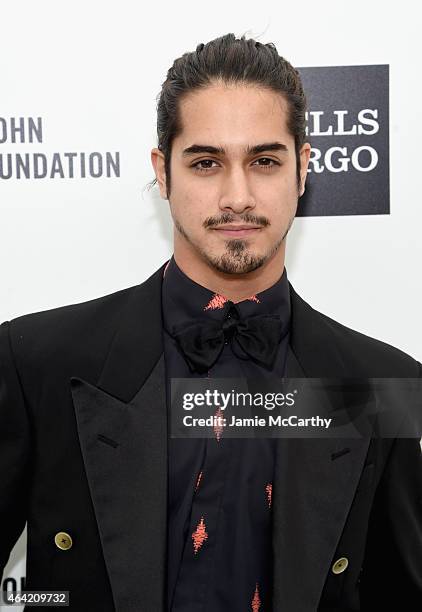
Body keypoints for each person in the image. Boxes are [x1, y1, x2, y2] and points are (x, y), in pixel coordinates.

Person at [0, 33, 421, 612]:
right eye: (205, 162)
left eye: (265, 161)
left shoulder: (379, 383)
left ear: (302, 170)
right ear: (163, 172)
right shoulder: (37, 362)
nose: (237, 196)